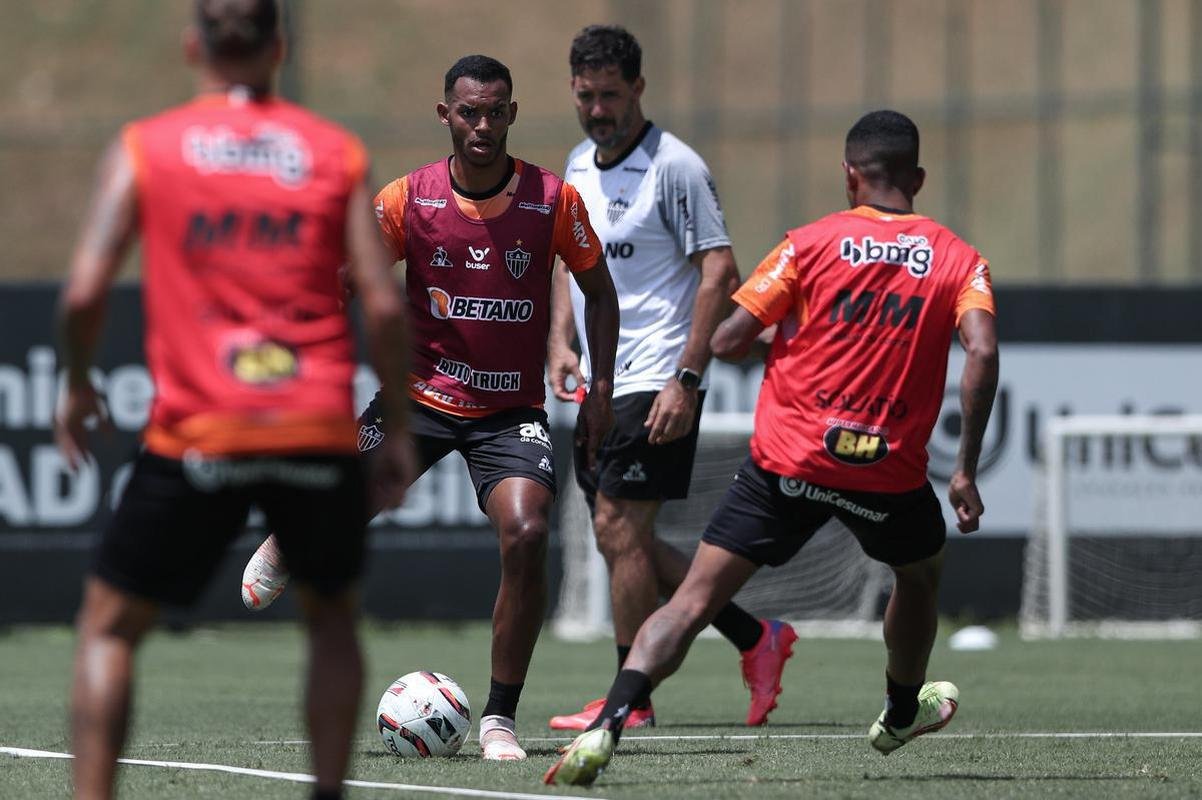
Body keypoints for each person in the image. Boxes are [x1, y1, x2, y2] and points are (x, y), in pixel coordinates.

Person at [545, 109, 1000, 786]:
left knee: (692, 601)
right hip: (886, 472)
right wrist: (963, 470)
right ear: (919, 178)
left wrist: (776, 349)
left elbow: (729, 340)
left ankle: (608, 726)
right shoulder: (961, 259)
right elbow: (983, 350)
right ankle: (902, 709)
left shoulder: (808, 244)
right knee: (920, 573)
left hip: (789, 463)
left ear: (850, 176)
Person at [55, 3, 415, 800]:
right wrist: (392, 420)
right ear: (279, 47)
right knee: (329, 618)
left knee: (110, 629)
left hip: (199, 433)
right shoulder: (334, 152)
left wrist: (77, 381)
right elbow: (385, 309)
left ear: (194, 46)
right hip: (316, 428)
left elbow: (83, 292)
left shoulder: (148, 147)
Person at [239, 54, 620, 761]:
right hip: (419, 399)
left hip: (510, 411)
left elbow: (600, 291)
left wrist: (599, 391)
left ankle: (500, 719)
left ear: (512, 113)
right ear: (446, 114)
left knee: (530, 532)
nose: (482, 125)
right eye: (469, 112)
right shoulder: (406, 200)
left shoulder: (552, 200)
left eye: (496, 111)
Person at [545, 24, 797, 732]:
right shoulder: (577, 165)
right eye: (587, 96)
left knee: (617, 527)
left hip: (655, 374)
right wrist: (560, 344)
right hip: (599, 381)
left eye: (612, 96)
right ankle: (755, 637)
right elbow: (569, 259)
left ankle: (635, 699)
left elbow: (719, 268)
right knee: (622, 540)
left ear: (639, 90)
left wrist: (686, 377)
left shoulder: (675, 166)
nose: (599, 110)